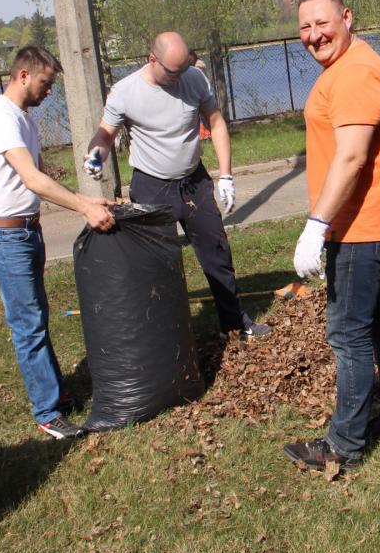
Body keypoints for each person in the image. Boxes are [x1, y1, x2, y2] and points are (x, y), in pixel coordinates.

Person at [284, 0, 380, 471]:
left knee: (349, 335)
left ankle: (343, 445)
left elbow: (354, 155)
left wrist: (316, 226)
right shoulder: (345, 67)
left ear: (346, 16)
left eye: (321, 23)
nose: (313, 35)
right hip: (364, 223)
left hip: (361, 226)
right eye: (304, 27)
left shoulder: (357, 72)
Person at [84, 31, 270, 339]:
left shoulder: (194, 79)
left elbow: (217, 122)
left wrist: (225, 174)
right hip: (151, 186)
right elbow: (105, 134)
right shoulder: (125, 92)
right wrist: (96, 155)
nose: (179, 77)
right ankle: (167, 337)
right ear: (151, 59)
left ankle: (234, 324)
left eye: (184, 68)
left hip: (194, 182)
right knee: (158, 264)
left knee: (216, 252)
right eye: (173, 71)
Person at [0, 46, 115, 440]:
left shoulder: (22, 119)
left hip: (25, 231)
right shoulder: (0, 119)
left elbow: (34, 178)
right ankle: (47, 412)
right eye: (46, 83)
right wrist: (84, 206)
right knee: (28, 325)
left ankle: (55, 393)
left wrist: (86, 198)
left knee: (36, 316)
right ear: (23, 76)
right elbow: (32, 179)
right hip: (5, 235)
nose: (50, 90)